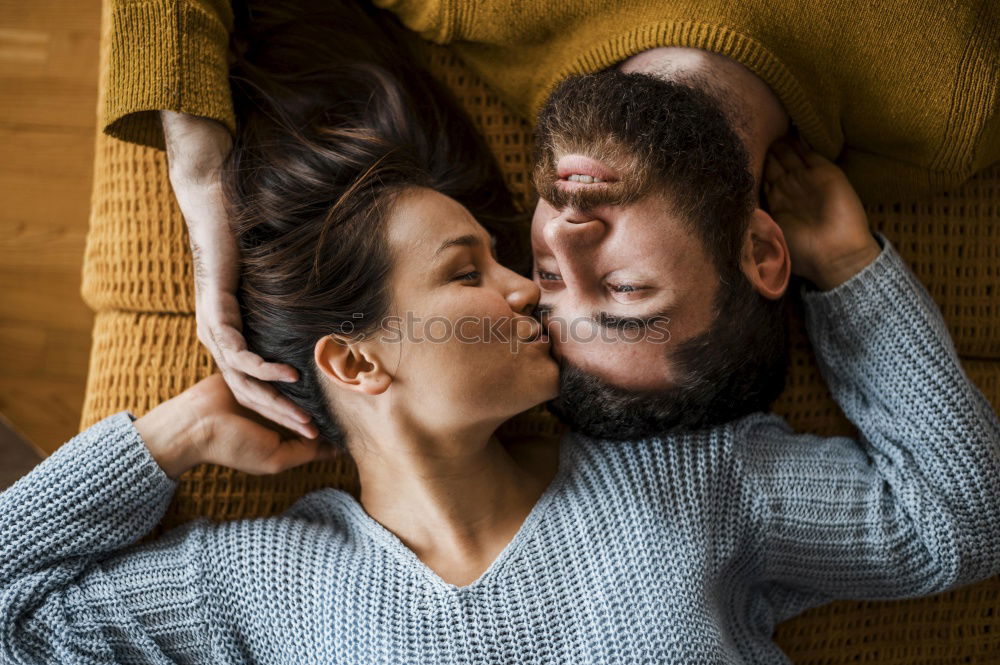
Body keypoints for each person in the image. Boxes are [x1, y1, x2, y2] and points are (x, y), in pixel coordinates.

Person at [3, 4, 1000, 661]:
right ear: (354, 359)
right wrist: (159, 442)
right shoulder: (262, 584)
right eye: (468, 269)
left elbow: (957, 520)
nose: (531, 285)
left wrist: (852, 276)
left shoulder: (682, 480)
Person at [102, 0, 999, 441]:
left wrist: (201, 174)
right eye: (623, 287)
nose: (560, 236)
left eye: (546, 281)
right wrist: (852, 269)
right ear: (762, 246)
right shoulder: (945, 112)